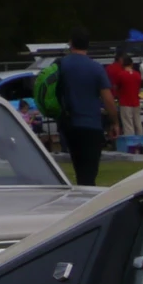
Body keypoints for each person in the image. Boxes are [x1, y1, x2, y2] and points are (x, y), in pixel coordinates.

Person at [54, 30, 116, 184]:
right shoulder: (95, 68)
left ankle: (81, 191)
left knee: (78, 166)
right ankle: (88, 199)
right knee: (90, 171)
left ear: (70, 43)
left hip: (69, 123)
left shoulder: (61, 65)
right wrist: (114, 121)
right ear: (88, 46)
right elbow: (107, 98)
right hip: (91, 124)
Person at [109, 54, 143, 145]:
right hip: (136, 102)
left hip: (125, 102)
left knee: (128, 125)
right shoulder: (137, 75)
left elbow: (115, 87)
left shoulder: (121, 75)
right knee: (138, 123)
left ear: (122, 65)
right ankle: (142, 143)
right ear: (131, 64)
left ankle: (131, 144)